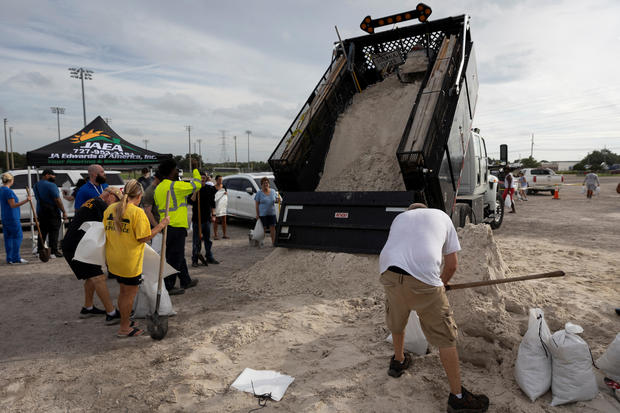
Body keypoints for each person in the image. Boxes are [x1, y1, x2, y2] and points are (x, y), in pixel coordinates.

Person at [379, 203, 489, 412]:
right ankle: (457, 397)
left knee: (397, 317)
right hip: (423, 278)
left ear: (411, 212)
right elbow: (452, 265)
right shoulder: (442, 217)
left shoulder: (400, 219)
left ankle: (398, 361)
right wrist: (442, 284)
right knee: (445, 336)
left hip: (388, 273)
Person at [104, 180, 170, 337]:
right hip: (129, 261)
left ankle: (125, 321)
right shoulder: (137, 212)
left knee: (123, 291)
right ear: (139, 195)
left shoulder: (111, 209)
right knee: (129, 294)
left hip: (114, 258)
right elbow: (144, 237)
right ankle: (124, 328)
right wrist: (161, 225)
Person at [62, 187, 123, 323]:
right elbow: (111, 225)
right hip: (77, 247)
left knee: (91, 277)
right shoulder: (100, 205)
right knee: (98, 278)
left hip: (77, 244)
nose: (116, 205)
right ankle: (111, 313)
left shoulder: (93, 202)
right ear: (111, 196)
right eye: (117, 201)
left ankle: (88, 308)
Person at [154, 159, 201, 295]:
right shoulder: (175, 186)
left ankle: (185, 280)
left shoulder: (159, 188)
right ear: (171, 172)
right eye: (175, 169)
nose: (177, 172)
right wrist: (196, 169)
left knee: (176, 254)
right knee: (175, 257)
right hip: (176, 226)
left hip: (166, 226)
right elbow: (197, 185)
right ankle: (169, 286)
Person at [34, 169, 68, 258]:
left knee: (42, 231)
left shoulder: (36, 185)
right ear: (46, 175)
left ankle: (40, 250)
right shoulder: (51, 185)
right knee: (54, 231)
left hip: (41, 210)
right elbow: (57, 200)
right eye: (52, 175)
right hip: (52, 211)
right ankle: (53, 251)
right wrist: (64, 211)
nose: (54, 177)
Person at [189, 173, 219, 267]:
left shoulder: (209, 189)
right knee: (196, 241)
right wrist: (196, 191)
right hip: (197, 220)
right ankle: (195, 259)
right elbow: (191, 201)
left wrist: (213, 214)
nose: (202, 180)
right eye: (200, 178)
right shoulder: (193, 189)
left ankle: (209, 257)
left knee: (208, 240)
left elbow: (212, 203)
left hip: (206, 219)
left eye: (203, 178)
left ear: (206, 180)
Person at [1, 173, 31, 264]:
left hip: (5, 217)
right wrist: (26, 200)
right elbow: (13, 205)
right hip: (12, 217)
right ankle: (16, 258)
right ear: (11, 181)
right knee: (18, 237)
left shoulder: (1, 189)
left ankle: (9, 258)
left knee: (8, 238)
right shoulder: (9, 191)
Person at [255, 177, 281, 246]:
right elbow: (257, 205)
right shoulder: (259, 193)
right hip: (263, 214)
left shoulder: (273, 191)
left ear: (269, 184)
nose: (266, 184)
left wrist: (278, 200)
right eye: (264, 183)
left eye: (267, 183)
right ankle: (261, 242)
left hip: (272, 213)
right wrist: (257, 214)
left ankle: (273, 242)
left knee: (272, 228)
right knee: (263, 229)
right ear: (261, 185)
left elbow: (275, 200)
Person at [213, 175, 228, 239]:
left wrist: (226, 194)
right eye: (219, 179)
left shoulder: (224, 186)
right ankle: (215, 235)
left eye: (221, 179)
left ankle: (224, 234)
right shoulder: (213, 188)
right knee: (216, 221)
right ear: (216, 180)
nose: (220, 181)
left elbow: (225, 195)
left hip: (223, 206)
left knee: (224, 220)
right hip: (216, 206)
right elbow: (212, 198)